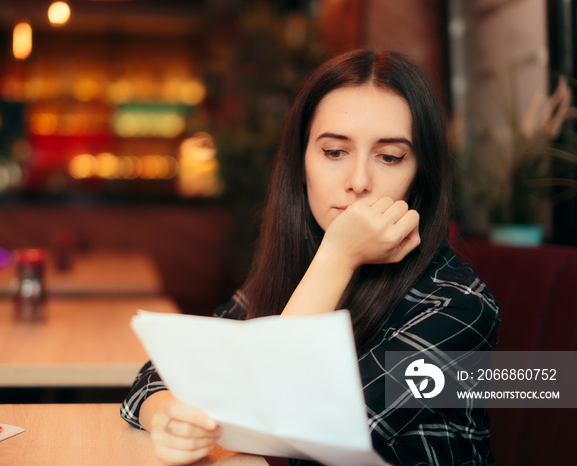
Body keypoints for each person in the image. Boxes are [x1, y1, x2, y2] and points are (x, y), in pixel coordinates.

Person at [121, 49, 500, 466]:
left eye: (389, 157)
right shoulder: (299, 266)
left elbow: (294, 424)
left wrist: (337, 255)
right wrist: (167, 419)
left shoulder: (458, 306)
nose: (359, 182)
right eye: (335, 152)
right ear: (301, 165)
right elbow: (158, 376)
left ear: (420, 178)